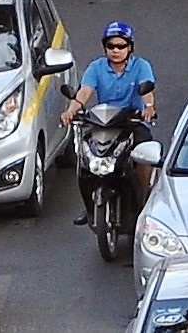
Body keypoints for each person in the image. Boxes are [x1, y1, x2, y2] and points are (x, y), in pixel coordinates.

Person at [61, 22, 158, 224]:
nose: (115, 50)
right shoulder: (96, 67)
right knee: (84, 161)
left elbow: (146, 90)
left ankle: (143, 203)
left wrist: (148, 107)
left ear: (129, 47)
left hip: (132, 122)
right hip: (103, 123)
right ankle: (90, 208)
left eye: (121, 46)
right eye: (111, 46)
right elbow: (84, 92)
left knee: (143, 156)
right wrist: (71, 110)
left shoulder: (141, 66)